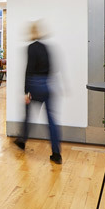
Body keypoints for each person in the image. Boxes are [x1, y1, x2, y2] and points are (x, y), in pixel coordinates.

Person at [14, 22, 62, 164]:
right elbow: (52, 68)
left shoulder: (31, 48)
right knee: (52, 121)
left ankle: (22, 141)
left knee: (28, 115)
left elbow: (29, 69)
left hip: (34, 84)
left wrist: (26, 92)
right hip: (47, 84)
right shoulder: (46, 47)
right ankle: (56, 153)